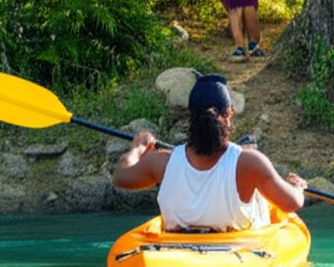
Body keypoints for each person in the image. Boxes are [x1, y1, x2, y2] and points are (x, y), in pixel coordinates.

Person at [111, 74, 306, 232]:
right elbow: (291, 203)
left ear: (191, 116)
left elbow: (120, 177)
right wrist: (296, 186)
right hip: (235, 252)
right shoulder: (250, 163)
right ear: (229, 113)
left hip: (175, 251)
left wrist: (137, 148)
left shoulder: (161, 163)